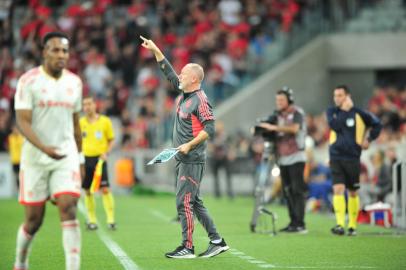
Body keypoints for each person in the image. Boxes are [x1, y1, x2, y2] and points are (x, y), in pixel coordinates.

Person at [140, 35, 229, 259]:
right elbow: (169, 73)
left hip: (192, 158)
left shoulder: (201, 99)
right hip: (181, 156)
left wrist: (189, 144)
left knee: (184, 201)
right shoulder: (185, 94)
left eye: (185, 74)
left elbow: (210, 128)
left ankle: (187, 247)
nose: (180, 75)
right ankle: (217, 241)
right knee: (194, 201)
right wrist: (156, 50)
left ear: (194, 79)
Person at [13, 32, 83, 270]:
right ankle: (20, 262)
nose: (61, 55)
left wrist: (81, 159)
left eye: (65, 50)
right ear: (44, 52)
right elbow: (23, 122)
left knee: (68, 208)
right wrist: (44, 148)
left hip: (65, 156)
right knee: (33, 222)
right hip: (35, 159)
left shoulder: (75, 82)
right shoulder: (28, 81)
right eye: (55, 50)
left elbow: (76, 124)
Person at [327, 85, 382, 236]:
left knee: (352, 192)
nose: (336, 98)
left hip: (352, 158)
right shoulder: (332, 112)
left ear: (347, 96)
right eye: (335, 95)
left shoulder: (360, 113)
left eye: (340, 95)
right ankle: (339, 224)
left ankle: (352, 225)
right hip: (336, 156)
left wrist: (369, 139)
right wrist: (345, 111)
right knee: (338, 189)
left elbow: (378, 124)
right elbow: (335, 126)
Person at [258, 87, 307, 233]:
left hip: (297, 156)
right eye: (277, 100)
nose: (278, 102)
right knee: (287, 191)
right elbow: (268, 125)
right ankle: (293, 222)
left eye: (281, 100)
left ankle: (300, 224)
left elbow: (294, 129)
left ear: (289, 100)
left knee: (297, 191)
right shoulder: (276, 115)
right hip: (283, 158)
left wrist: (273, 127)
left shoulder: (297, 113)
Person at [80, 95, 116, 230]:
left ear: (95, 105)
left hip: (100, 160)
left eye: (89, 104)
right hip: (85, 160)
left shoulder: (105, 121)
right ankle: (92, 220)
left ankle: (111, 220)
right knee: (87, 190)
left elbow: (111, 139)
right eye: (84, 104)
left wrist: (106, 153)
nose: (87, 107)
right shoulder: (80, 123)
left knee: (105, 189)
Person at [7, 123, 24, 191]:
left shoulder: (22, 137)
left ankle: (22, 189)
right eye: (14, 129)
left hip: (21, 160)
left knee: (22, 176)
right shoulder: (10, 137)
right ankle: (18, 190)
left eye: (16, 129)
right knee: (16, 176)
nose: (15, 130)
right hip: (14, 160)